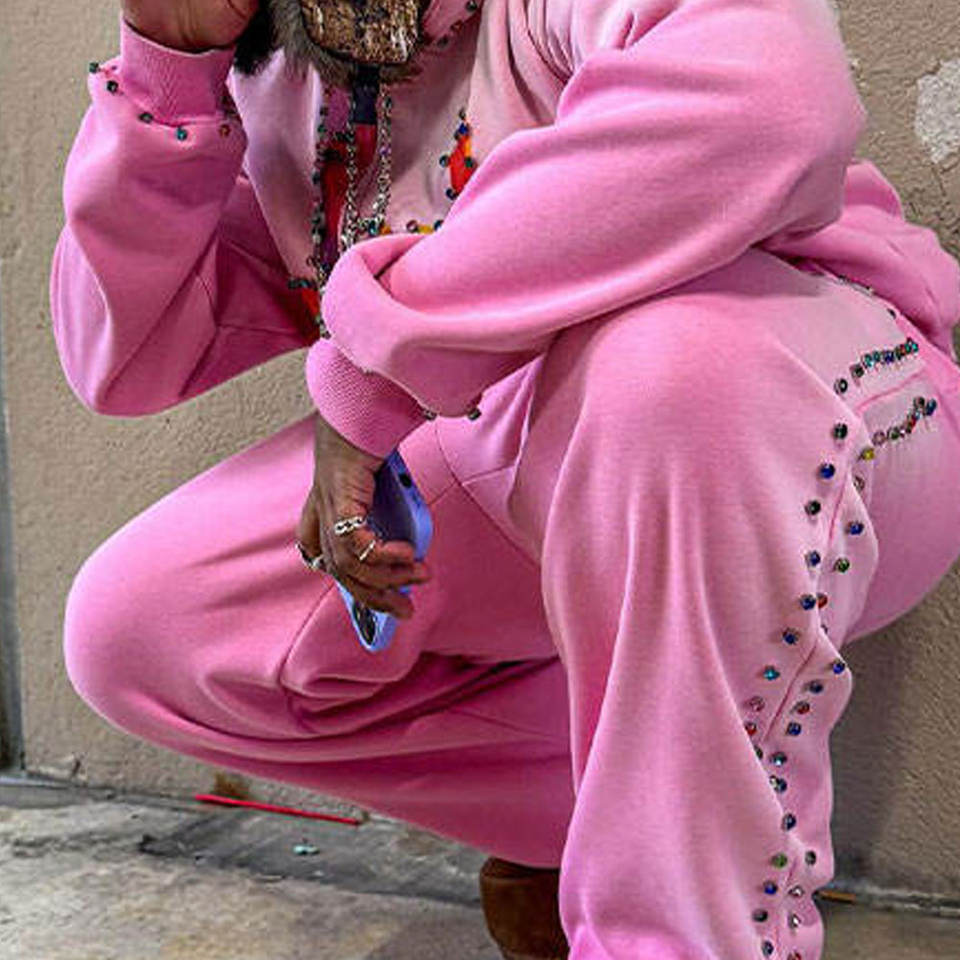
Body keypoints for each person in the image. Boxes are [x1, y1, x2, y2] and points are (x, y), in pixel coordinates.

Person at [50, 0, 960, 957]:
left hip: (804, 411)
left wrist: (377, 362)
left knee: (672, 374)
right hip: (517, 444)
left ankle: (679, 918)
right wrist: (172, 63)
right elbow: (129, 354)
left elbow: (774, 104)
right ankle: (637, 817)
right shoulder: (288, 68)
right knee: (145, 628)